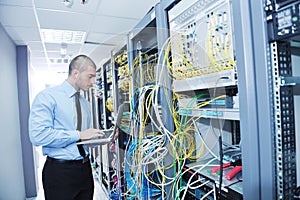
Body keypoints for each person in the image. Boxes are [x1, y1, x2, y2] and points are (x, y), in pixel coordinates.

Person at [29, 55, 104, 200]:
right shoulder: (48, 97)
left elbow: (85, 138)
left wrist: (101, 138)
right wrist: (78, 135)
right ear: (76, 73)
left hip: (85, 170)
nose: (93, 82)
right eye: (90, 76)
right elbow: (38, 136)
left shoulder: (85, 103)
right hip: (60, 172)